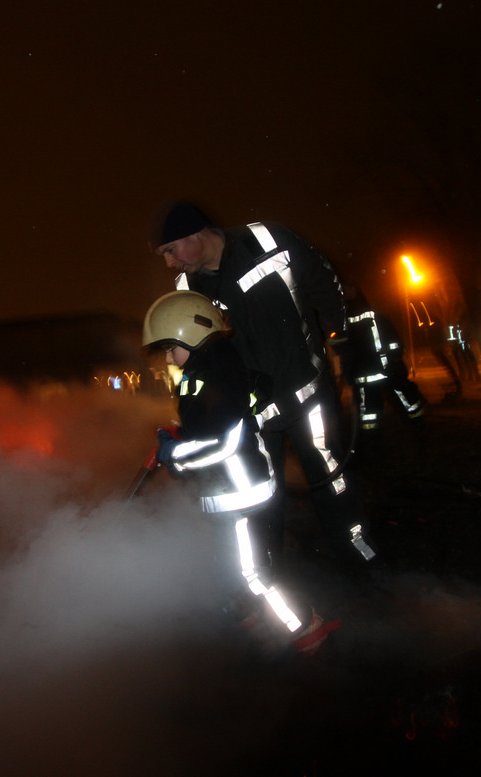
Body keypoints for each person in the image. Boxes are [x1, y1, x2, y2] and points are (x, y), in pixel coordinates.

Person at [148, 200, 379, 571]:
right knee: (260, 493)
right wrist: (199, 413)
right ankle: (269, 571)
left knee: (330, 475)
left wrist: (341, 339)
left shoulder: (268, 240)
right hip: (253, 413)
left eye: (170, 250)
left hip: (307, 394)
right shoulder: (187, 288)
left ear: (196, 234)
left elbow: (324, 283)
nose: (169, 263)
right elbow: (199, 357)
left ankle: (358, 553)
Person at [142, 290, 337, 655]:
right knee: (229, 566)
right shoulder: (211, 367)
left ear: (191, 334)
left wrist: (174, 454)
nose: (168, 357)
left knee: (252, 575)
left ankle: (306, 628)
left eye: (171, 347)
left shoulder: (217, 374)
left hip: (239, 496)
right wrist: (183, 432)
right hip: (229, 492)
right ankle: (251, 623)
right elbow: (214, 422)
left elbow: (222, 442)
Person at [342, 283, 426, 431]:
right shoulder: (353, 316)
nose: (345, 292)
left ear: (354, 289)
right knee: (379, 406)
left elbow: (390, 339)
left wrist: (394, 358)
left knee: (377, 407)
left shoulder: (350, 317)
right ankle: (416, 424)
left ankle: (417, 425)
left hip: (380, 370)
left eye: (347, 288)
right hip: (377, 370)